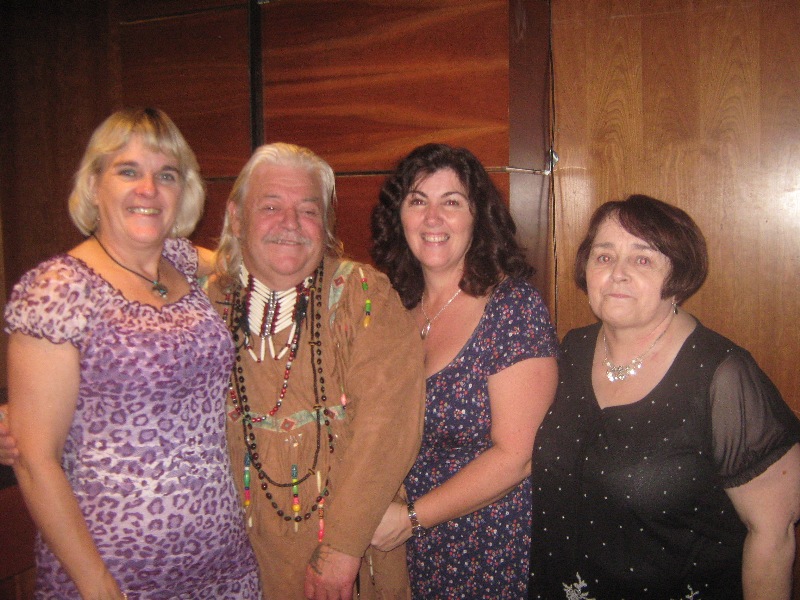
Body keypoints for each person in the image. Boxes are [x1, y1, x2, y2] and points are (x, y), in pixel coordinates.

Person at [3, 108, 260, 599]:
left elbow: (257, 262)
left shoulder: (180, 260)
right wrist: (99, 587)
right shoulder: (58, 289)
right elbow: (35, 460)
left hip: (223, 567)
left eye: (166, 175)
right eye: (128, 171)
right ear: (93, 184)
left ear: (183, 191)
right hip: (114, 576)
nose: (148, 189)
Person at [529, 194, 800, 600]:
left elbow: (772, 534)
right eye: (604, 257)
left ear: (679, 276)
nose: (617, 274)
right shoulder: (572, 349)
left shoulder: (722, 375)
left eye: (642, 259)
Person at [207, 142, 426, 599]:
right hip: (233, 562)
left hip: (346, 561)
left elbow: (387, 428)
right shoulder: (207, 306)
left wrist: (342, 551)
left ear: (324, 225)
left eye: (308, 211)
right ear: (236, 218)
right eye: (271, 207)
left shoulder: (363, 296)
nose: (290, 223)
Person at [369, 143, 559, 598]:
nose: (432, 218)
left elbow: (517, 456)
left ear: (478, 217)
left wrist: (412, 518)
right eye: (418, 201)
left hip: (485, 543)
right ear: (399, 217)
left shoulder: (512, 308)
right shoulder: (392, 307)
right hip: (401, 544)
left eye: (451, 202)